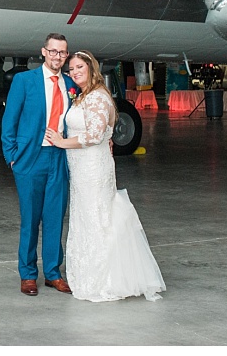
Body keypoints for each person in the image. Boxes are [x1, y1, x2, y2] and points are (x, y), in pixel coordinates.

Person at [45, 50, 165, 302]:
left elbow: (95, 135)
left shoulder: (97, 97)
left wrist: (61, 142)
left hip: (92, 168)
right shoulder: (83, 96)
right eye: (71, 69)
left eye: (79, 67)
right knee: (87, 217)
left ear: (91, 68)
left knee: (97, 217)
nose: (74, 72)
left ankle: (106, 279)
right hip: (81, 168)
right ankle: (90, 273)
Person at [1, 33, 76, 296]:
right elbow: (9, 121)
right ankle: (28, 275)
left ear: (66, 55)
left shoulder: (70, 84)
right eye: (53, 51)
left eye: (62, 53)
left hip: (60, 158)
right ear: (43, 52)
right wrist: (13, 156)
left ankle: (53, 273)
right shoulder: (24, 81)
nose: (58, 57)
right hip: (30, 159)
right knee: (30, 220)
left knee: (55, 218)